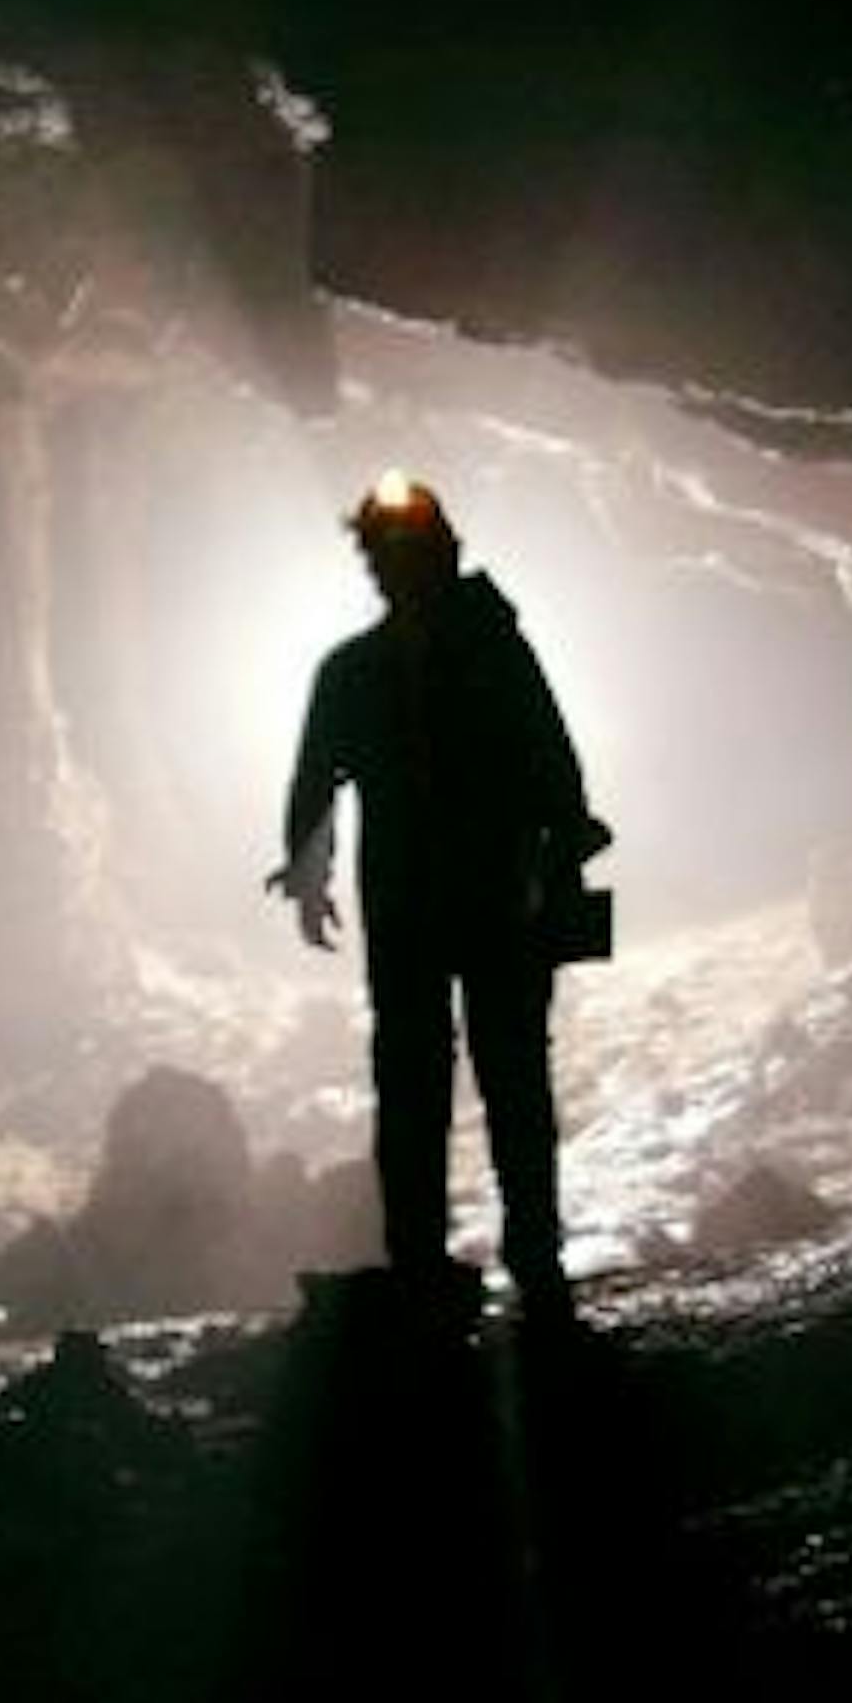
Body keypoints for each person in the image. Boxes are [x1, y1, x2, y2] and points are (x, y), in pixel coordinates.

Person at [268, 474, 609, 1323]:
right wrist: (562, 858)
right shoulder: (467, 654)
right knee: (486, 1073)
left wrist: (309, 875)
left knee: (456, 1076)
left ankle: (482, 1256)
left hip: (454, 898)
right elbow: (554, 765)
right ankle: (504, 1258)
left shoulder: (372, 667)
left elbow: (316, 789)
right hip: (467, 897)